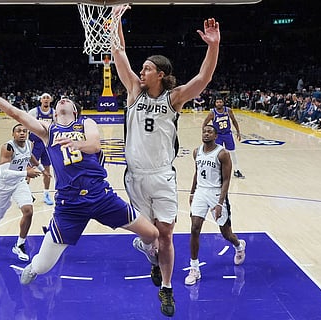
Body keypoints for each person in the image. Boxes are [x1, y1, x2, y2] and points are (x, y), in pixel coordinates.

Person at [0, 65, 159, 292]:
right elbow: (14, 112)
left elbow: (94, 145)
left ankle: (148, 252)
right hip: (69, 205)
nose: (63, 100)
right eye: (59, 101)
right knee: (42, 267)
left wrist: (77, 144)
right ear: (54, 113)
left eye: (68, 100)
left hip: (101, 196)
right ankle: (33, 267)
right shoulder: (48, 131)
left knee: (152, 234)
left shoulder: (86, 124)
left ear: (75, 111)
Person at [111, 5, 220, 317]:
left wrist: (213, 46)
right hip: (134, 176)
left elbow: (204, 77)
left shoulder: (174, 98)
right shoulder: (133, 90)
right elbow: (119, 52)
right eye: (141, 68)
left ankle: (167, 289)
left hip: (162, 175)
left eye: (147, 68)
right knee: (152, 237)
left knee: (167, 235)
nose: (141, 71)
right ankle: (150, 254)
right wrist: (117, 20)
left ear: (161, 73)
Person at [185, 125, 246, 286]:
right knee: (194, 228)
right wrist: (192, 193)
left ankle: (239, 246)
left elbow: (226, 180)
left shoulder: (222, 154)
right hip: (200, 192)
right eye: (204, 131)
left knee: (226, 233)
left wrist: (219, 203)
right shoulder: (196, 152)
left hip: (216, 193)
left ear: (216, 135)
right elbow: (197, 173)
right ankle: (194, 268)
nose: (206, 133)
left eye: (209, 131)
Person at [0, 123, 48, 261]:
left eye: (24, 131)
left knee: (28, 211)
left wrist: (43, 170)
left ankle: (19, 245)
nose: (22, 133)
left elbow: (30, 156)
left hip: (19, 183)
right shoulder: (7, 147)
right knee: (0, 212)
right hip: (3, 184)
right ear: (13, 134)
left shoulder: (28, 144)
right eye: (18, 131)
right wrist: (26, 172)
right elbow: (4, 173)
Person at [202, 96, 245, 178]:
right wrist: (204, 134)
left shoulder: (228, 110)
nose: (219, 104)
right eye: (217, 102)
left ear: (223, 103)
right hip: (217, 135)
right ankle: (216, 171)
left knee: (232, 152)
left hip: (227, 134)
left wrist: (238, 132)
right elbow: (204, 123)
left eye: (220, 102)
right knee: (217, 154)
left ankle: (236, 170)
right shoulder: (212, 113)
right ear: (215, 103)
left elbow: (234, 121)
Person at [28, 93, 55, 205]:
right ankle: (25, 193)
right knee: (29, 169)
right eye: (44, 98)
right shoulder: (34, 112)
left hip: (47, 144)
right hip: (36, 143)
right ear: (40, 100)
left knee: (47, 170)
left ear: (51, 100)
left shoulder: (54, 113)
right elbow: (27, 125)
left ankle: (46, 194)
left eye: (48, 98)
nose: (46, 100)